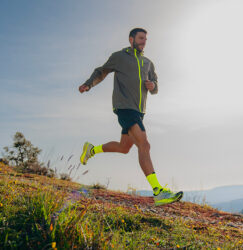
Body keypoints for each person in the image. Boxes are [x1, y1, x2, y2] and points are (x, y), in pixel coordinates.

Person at [78, 28, 183, 206]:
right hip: (124, 107)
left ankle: (91, 150)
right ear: (131, 39)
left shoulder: (148, 63)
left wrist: (153, 86)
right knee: (144, 144)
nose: (144, 42)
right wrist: (89, 85)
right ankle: (158, 191)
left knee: (124, 147)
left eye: (146, 39)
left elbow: (156, 87)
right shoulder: (120, 56)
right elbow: (101, 71)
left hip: (139, 110)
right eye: (141, 38)